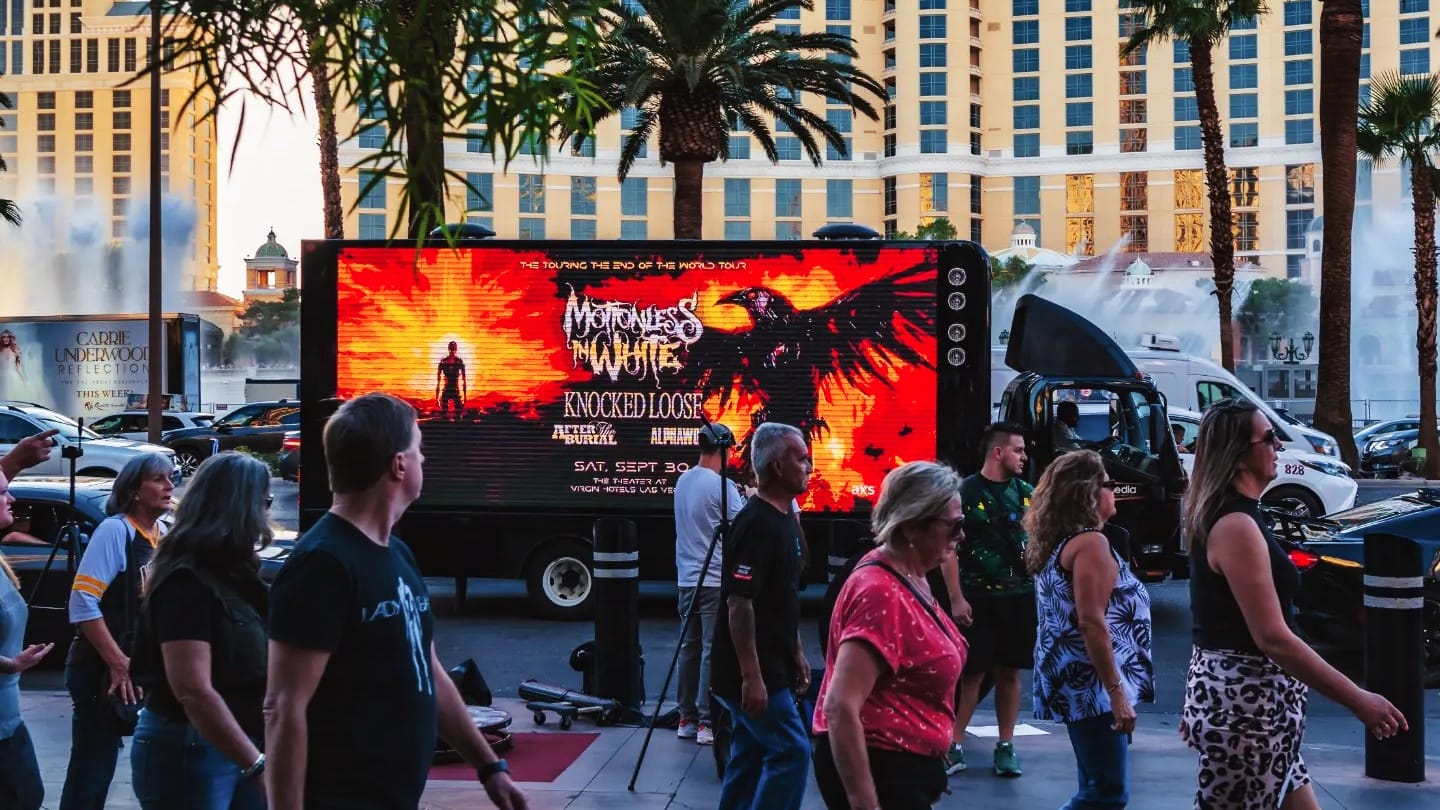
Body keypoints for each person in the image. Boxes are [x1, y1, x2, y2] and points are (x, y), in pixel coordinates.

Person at [263, 393, 524, 810]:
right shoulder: (322, 563)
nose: (425, 460)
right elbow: (283, 706)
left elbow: (429, 671)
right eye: (419, 450)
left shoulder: (396, 554)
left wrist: (490, 769)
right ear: (399, 465)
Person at [1181, 399, 1407, 809]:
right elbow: (1273, 638)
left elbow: (1214, 619)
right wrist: (1359, 699)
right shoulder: (1235, 525)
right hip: (1248, 715)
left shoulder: (1238, 516)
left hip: (1254, 711)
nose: (1278, 447)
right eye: (1269, 438)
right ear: (1238, 455)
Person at [812, 461, 968, 810]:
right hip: (881, 769)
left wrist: (928, 763)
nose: (961, 536)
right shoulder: (880, 592)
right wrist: (865, 802)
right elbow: (839, 706)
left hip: (902, 769)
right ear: (912, 527)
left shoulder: (912, 576)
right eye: (954, 526)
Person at [129, 453, 272, 810]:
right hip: (191, 745)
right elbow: (192, 689)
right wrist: (255, 764)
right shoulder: (186, 582)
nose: (267, 514)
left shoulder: (237, 575)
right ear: (241, 507)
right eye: (264, 502)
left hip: (232, 743)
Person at [1027, 450, 1153, 809]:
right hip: (1092, 686)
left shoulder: (1059, 543)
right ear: (1088, 492)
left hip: (1075, 680)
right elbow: (1091, 621)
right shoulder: (1091, 544)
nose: (1115, 491)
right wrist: (1116, 694)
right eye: (1110, 484)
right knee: (1105, 793)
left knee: (1096, 784)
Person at [60, 451, 175, 810]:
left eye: (171, 478)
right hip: (101, 670)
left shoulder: (164, 533)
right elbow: (82, 603)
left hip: (139, 669)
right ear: (134, 490)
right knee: (93, 767)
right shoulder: (116, 530)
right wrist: (118, 662)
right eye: (159, 479)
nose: (169, 486)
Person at [710, 422, 813, 810]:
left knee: (750, 753)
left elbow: (781, 599)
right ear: (776, 467)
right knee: (791, 751)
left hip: (775, 663)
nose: (809, 465)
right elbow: (739, 603)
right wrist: (751, 676)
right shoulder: (756, 524)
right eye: (800, 458)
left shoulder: (785, 519)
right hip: (754, 670)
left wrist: (797, 651)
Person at [937, 421, 1034, 777]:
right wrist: (956, 599)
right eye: (1018, 450)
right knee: (971, 674)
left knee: (1010, 673)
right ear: (998, 452)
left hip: (1019, 597)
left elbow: (1037, 542)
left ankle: (1006, 746)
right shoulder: (964, 492)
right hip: (978, 598)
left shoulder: (1028, 493)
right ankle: (953, 743)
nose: (1023, 456)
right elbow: (949, 551)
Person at [672, 422, 744, 746]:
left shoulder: (682, 481)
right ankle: (706, 721)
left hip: (686, 577)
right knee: (711, 651)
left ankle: (685, 717)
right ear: (723, 450)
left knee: (689, 647)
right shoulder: (723, 487)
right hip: (714, 579)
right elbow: (742, 529)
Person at [1, 461, 59, 809]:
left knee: (28, 795)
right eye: (3, 493)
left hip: (9, 718)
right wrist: (10, 664)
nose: (12, 498)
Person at [436, 341, 467, 419]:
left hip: (453, 390)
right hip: (449, 390)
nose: (452, 351)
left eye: (453, 348)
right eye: (451, 348)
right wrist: (437, 398)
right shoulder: (444, 361)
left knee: (456, 415)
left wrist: (465, 397)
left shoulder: (457, 361)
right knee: (446, 415)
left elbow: (464, 380)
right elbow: (438, 381)